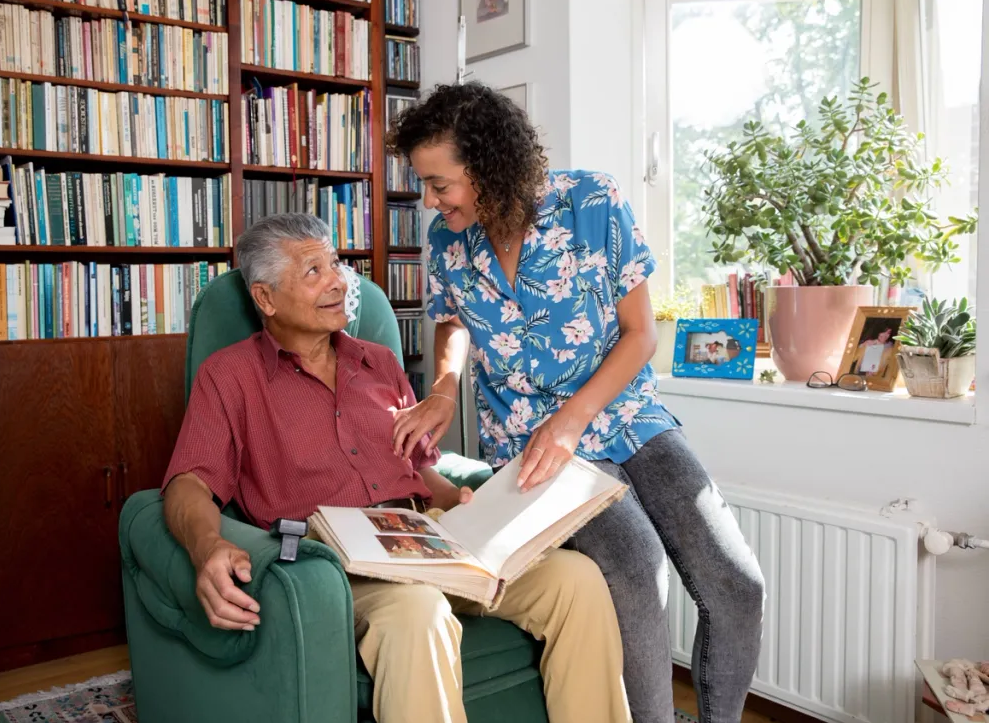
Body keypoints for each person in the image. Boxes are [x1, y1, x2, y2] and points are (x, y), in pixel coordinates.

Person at [388, 83, 766, 723]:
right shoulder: (448, 241)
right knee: (636, 571)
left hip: (625, 417)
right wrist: (444, 389)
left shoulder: (590, 201)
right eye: (425, 184)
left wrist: (573, 419)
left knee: (737, 584)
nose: (430, 199)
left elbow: (641, 333)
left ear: (487, 167)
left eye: (440, 183)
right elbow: (450, 322)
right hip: (531, 448)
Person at [160, 213, 632, 723]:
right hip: (338, 557)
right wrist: (207, 546)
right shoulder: (229, 377)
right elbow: (189, 481)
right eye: (313, 271)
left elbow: (420, 467)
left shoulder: (380, 362)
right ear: (266, 298)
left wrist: (468, 502)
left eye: (336, 263)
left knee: (577, 579)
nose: (339, 281)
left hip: (428, 534)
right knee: (417, 611)